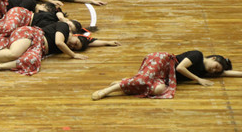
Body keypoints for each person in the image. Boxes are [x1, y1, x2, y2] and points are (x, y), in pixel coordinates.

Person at [91, 50, 242, 100]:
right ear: (213, 58)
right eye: (216, 67)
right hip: (162, 61)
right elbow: (181, 68)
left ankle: (127, 82)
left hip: (165, 77)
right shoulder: (198, 55)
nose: (214, 71)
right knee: (144, 80)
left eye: (216, 72)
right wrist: (198, 80)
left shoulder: (204, 71)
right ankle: (108, 91)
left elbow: (227, 73)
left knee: (159, 90)